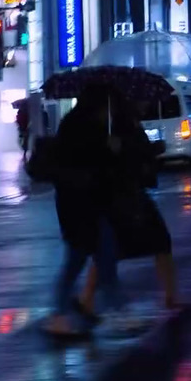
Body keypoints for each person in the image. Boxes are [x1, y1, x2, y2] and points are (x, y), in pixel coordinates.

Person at [75, 93, 179, 314]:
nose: (147, 102)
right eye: (143, 100)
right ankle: (88, 298)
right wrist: (150, 150)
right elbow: (127, 155)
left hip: (131, 192)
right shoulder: (120, 125)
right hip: (124, 194)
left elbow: (133, 153)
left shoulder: (128, 122)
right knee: (153, 242)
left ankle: (87, 297)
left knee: (137, 245)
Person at [39, 86, 128, 337]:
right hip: (80, 206)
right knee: (83, 260)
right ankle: (112, 311)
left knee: (100, 259)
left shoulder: (80, 124)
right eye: (108, 106)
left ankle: (116, 310)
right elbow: (89, 164)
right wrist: (109, 150)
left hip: (85, 205)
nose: (110, 112)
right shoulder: (82, 127)